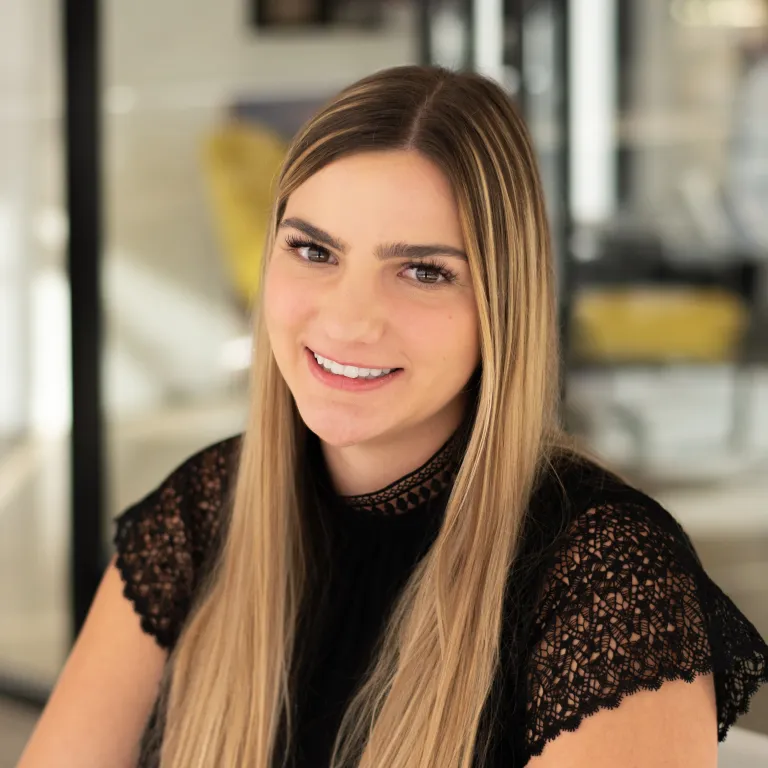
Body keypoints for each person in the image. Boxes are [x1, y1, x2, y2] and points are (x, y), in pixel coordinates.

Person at [18, 65, 767, 768]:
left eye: (422, 271)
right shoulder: (206, 506)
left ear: (502, 307)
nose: (349, 322)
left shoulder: (606, 580)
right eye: (314, 251)